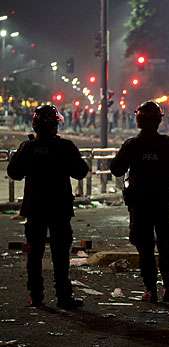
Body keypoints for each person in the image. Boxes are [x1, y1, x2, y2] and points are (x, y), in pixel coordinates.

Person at [7, 105, 89, 309]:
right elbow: (81, 171)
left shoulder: (28, 147)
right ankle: (63, 296)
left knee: (34, 254)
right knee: (60, 255)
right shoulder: (65, 147)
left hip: (35, 208)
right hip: (59, 208)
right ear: (55, 125)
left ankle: (36, 296)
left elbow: (14, 172)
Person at [110, 101, 169, 303]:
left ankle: (151, 289)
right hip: (163, 203)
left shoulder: (132, 145)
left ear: (139, 120)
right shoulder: (168, 144)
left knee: (145, 247)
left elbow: (116, 168)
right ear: (159, 120)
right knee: (167, 245)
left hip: (139, 204)